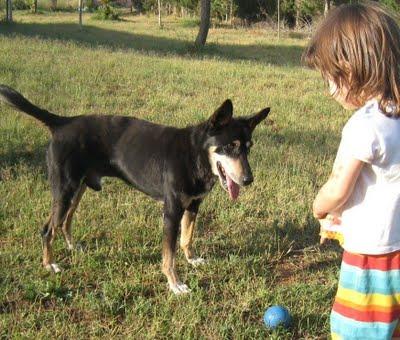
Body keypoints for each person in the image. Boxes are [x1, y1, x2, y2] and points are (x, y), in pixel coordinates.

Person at [303, 2, 400, 339]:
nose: (329, 90)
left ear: (351, 67)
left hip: (372, 258)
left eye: (330, 77)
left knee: (359, 331)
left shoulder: (365, 126)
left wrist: (320, 206)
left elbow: (338, 186)